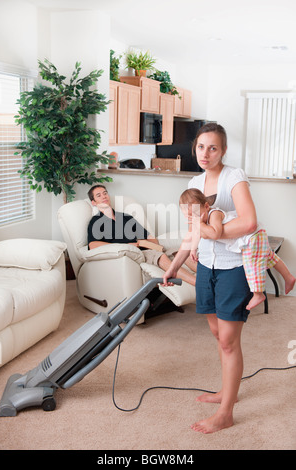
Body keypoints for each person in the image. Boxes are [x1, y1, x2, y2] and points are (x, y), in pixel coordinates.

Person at [162, 122, 261, 434]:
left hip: (234, 268)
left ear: (224, 150)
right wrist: (175, 264)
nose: (205, 153)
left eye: (213, 147)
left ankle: (226, 412)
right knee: (219, 336)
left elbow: (249, 223)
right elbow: (194, 234)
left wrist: (212, 234)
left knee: (230, 342)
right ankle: (225, 391)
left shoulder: (234, 177)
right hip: (205, 267)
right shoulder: (195, 181)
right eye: (201, 147)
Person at [179, 188, 295, 310]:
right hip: (252, 237)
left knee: (252, 264)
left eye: (195, 215)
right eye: (189, 217)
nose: (193, 220)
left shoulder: (214, 214)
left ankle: (258, 294)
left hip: (252, 237)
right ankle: (288, 277)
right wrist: (193, 249)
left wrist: (200, 224)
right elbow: (197, 233)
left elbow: (215, 234)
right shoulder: (199, 221)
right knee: (268, 256)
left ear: (207, 206)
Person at [87, 184, 196, 286]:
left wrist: (146, 243)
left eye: (105, 193)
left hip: (145, 248)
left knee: (179, 252)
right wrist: (127, 246)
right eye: (98, 195)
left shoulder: (126, 217)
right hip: (135, 254)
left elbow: (151, 238)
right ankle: (199, 283)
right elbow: (93, 245)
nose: (104, 196)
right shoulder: (96, 222)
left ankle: (207, 277)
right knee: (161, 257)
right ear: (94, 202)